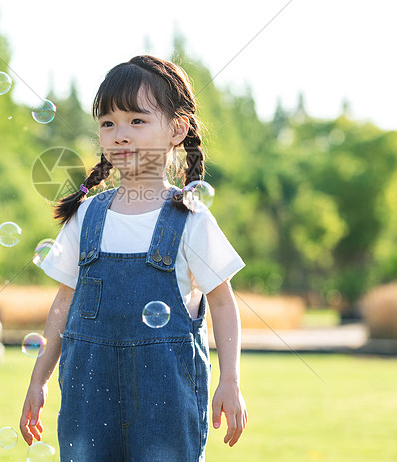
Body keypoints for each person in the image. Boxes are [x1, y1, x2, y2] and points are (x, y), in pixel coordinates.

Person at [19, 55, 248, 461]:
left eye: (136, 121)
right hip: (87, 396)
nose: (119, 135)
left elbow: (223, 302)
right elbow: (64, 303)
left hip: (167, 401)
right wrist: (39, 379)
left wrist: (229, 379)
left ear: (177, 129)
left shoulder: (190, 217)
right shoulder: (87, 215)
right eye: (108, 123)